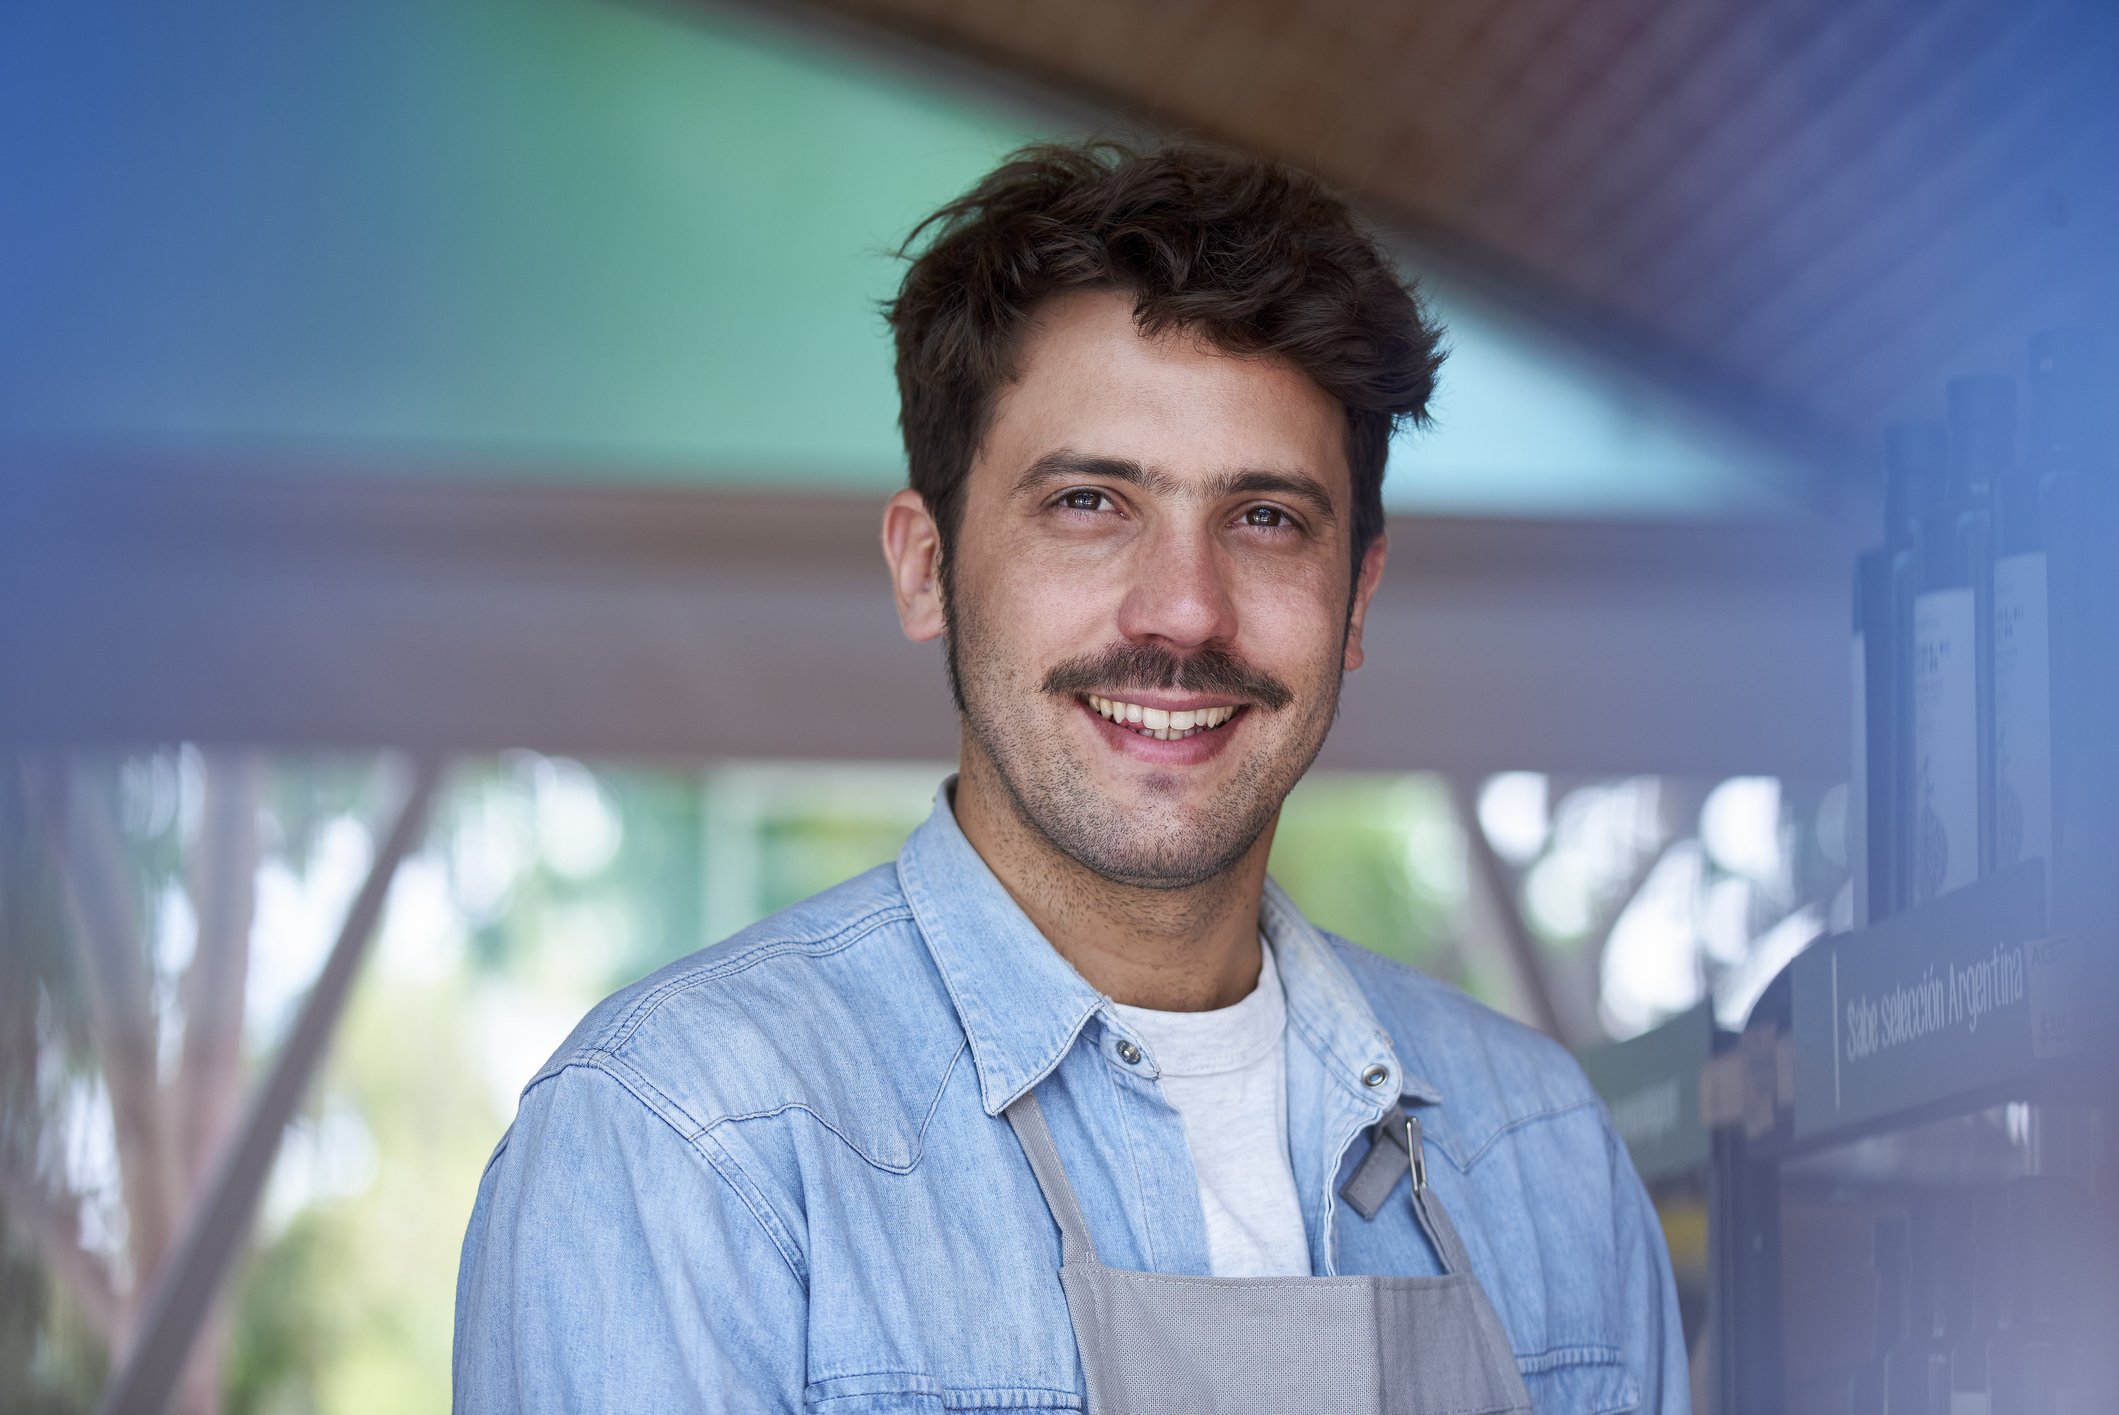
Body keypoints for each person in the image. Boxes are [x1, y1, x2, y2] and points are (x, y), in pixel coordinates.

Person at [454, 139, 1688, 1413]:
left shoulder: (1539, 1156)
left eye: (1265, 517)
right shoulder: (693, 1142)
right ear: (925, 565)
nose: (1182, 610)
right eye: (1091, 502)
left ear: (1356, 596)